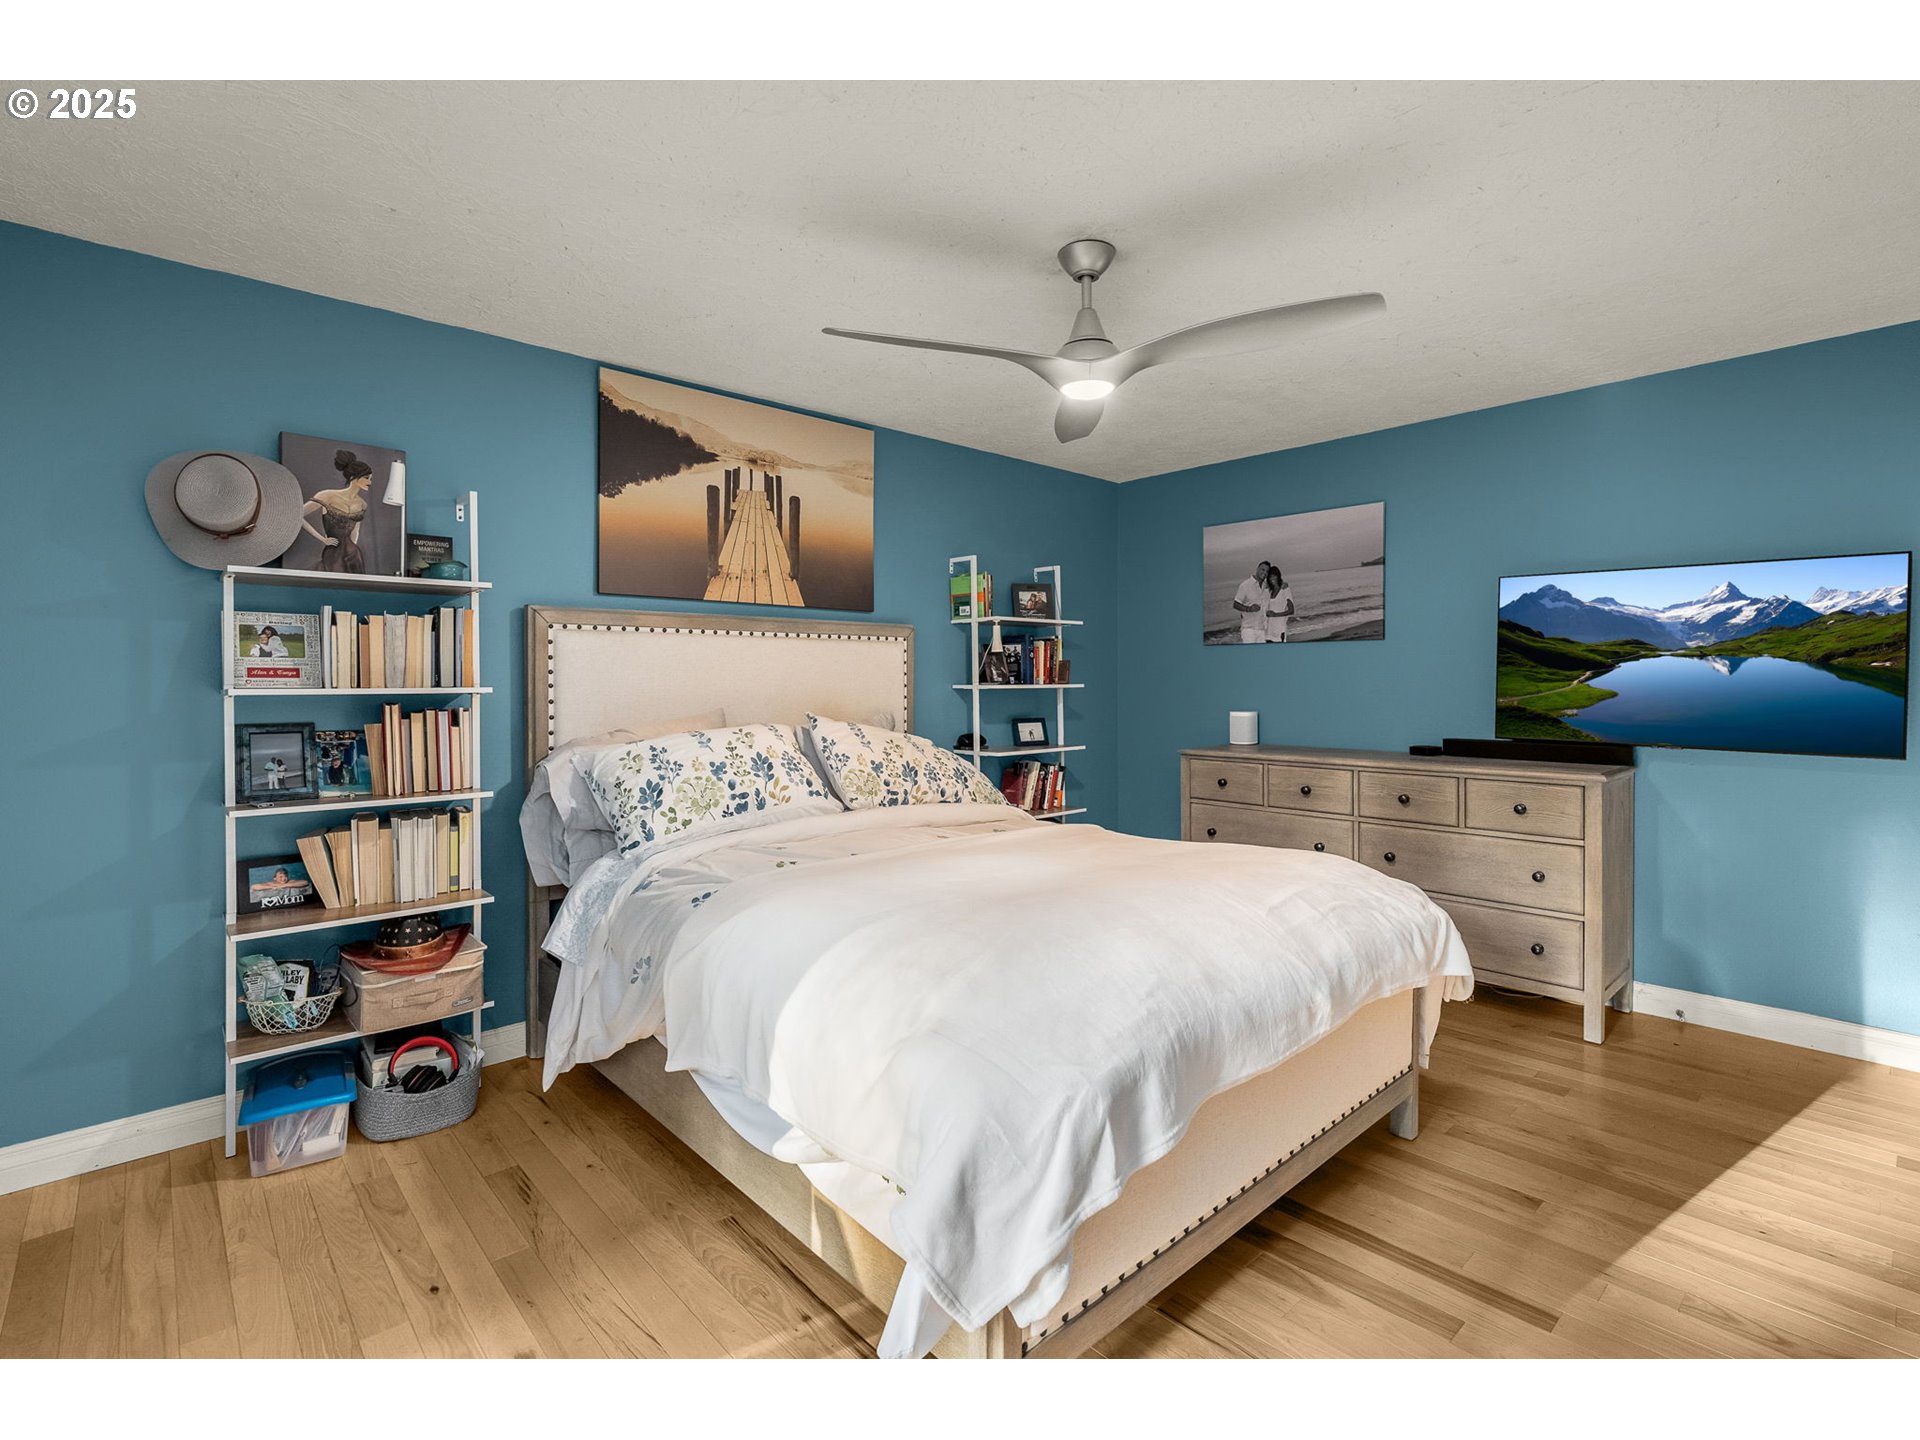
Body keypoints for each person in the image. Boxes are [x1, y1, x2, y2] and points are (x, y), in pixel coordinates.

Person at [297, 450, 375, 573]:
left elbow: (355, 531)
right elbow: (297, 515)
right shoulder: (327, 495)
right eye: (366, 478)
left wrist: (353, 546)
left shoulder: (362, 504)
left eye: (371, 478)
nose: (370, 482)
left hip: (354, 554)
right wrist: (322, 539)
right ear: (353, 477)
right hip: (332, 551)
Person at [1231, 561, 1272, 644]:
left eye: (1267, 571)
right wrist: (1249, 608)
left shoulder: (1266, 586)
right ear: (1257, 569)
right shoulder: (1245, 585)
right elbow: (1235, 604)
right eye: (1262, 569)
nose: (1264, 573)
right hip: (1249, 630)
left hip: (1263, 630)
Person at [1264, 562, 1296, 642]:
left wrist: (1275, 614)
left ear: (1278, 576)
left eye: (1274, 576)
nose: (1272, 578)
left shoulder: (1285, 589)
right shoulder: (1269, 592)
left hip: (1280, 630)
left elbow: (1291, 610)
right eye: (1270, 576)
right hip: (1268, 631)